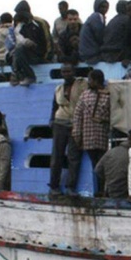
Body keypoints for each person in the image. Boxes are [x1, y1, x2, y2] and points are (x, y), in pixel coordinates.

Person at [49, 62, 88, 195]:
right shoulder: (58, 88)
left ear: (74, 72)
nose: (66, 74)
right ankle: (54, 186)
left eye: (69, 71)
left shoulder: (82, 84)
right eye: (64, 72)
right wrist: (52, 120)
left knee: (74, 157)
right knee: (57, 156)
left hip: (76, 123)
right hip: (60, 123)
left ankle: (70, 187)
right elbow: (54, 106)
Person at [72, 69, 111, 192]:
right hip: (101, 137)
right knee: (101, 166)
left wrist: (77, 135)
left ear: (95, 81)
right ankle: (101, 191)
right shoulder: (108, 94)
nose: (89, 82)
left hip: (91, 138)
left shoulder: (85, 95)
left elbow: (77, 116)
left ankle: (100, 191)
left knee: (97, 166)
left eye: (90, 80)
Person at [12, 9, 48, 86]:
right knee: (16, 51)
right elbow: (19, 40)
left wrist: (47, 56)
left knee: (19, 50)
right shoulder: (20, 27)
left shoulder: (39, 23)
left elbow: (47, 40)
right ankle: (17, 73)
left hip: (40, 54)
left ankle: (29, 76)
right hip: (28, 54)